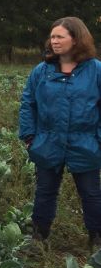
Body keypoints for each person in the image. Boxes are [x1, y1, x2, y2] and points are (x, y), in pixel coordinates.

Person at [19, 16, 101, 251]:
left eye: (59, 37)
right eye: (52, 36)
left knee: (91, 194)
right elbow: (28, 103)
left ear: (76, 40)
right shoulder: (42, 71)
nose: (53, 41)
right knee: (45, 191)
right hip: (48, 141)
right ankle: (39, 236)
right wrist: (29, 137)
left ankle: (97, 239)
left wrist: (99, 140)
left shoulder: (96, 70)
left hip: (85, 142)